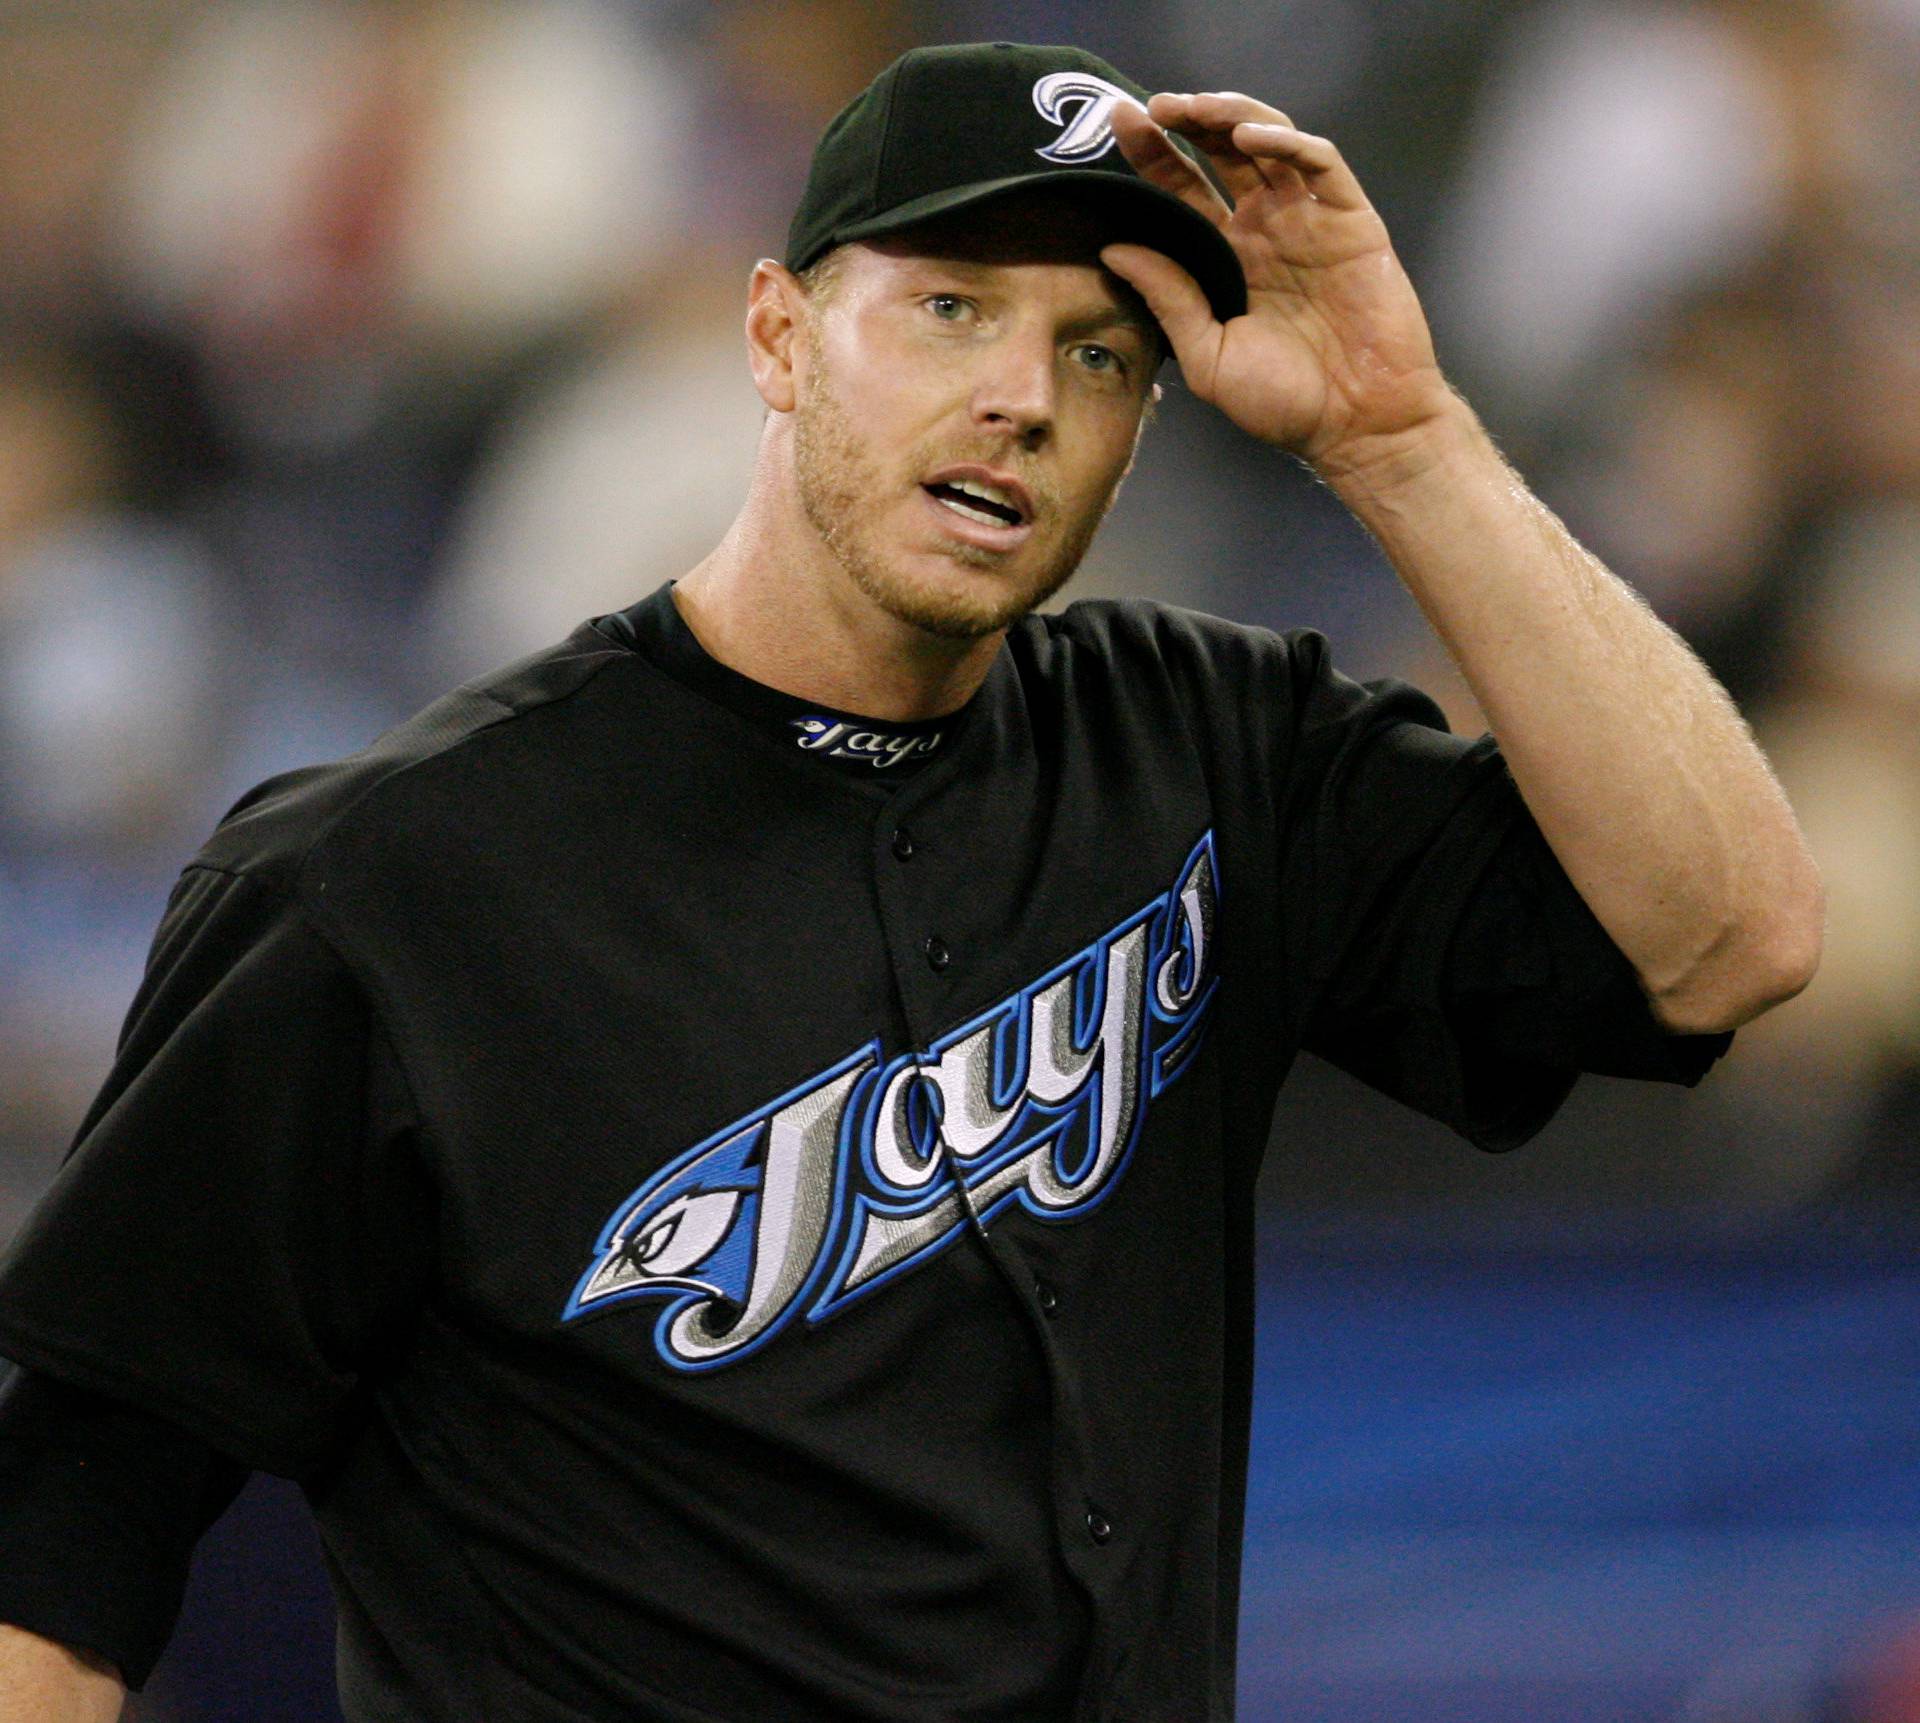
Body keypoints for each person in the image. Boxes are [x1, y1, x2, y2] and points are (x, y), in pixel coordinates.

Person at [0, 40, 1821, 1723]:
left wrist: (1400, 440)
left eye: (1100, 352)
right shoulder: (380, 884)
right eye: (949, 308)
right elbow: (63, 1533)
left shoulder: (1209, 746)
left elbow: (1728, 939)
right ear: (780, 335)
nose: (1020, 396)